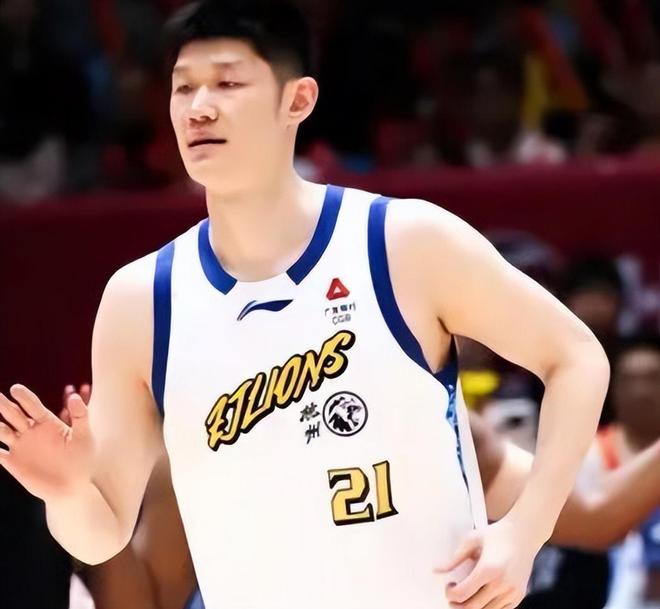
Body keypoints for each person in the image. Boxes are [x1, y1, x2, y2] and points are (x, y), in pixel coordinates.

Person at [0, 2, 609, 608]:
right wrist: (66, 491)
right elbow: (102, 531)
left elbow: (577, 357)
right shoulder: (141, 301)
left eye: (228, 83)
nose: (199, 107)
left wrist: (525, 532)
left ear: (297, 100)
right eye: (183, 88)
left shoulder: (402, 242)